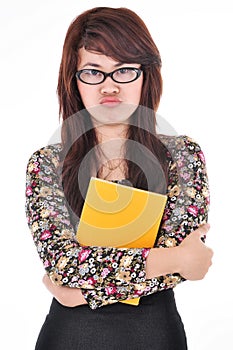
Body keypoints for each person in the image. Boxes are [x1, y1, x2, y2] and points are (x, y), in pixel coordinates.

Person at [25, 6, 213, 350]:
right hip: (70, 337)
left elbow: (192, 263)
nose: (109, 87)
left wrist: (77, 291)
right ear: (74, 80)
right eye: (93, 72)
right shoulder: (47, 163)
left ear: (146, 75)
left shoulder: (182, 156)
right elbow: (64, 263)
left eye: (124, 70)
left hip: (156, 336)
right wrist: (172, 259)